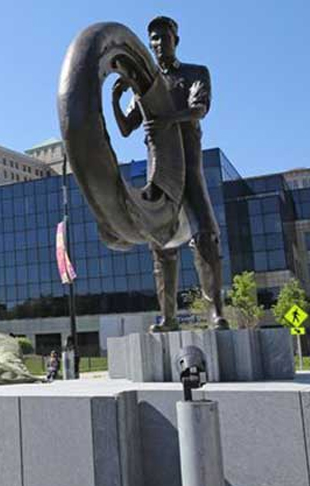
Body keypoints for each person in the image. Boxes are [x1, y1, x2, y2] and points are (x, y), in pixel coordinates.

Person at [112, 16, 228, 332]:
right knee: (161, 244)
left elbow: (199, 110)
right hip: (158, 170)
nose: (158, 44)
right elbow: (126, 128)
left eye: (163, 37)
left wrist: (166, 120)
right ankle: (168, 317)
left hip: (188, 167)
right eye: (153, 39)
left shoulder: (194, 73)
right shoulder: (147, 86)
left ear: (175, 39)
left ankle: (215, 313)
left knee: (205, 234)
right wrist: (116, 97)